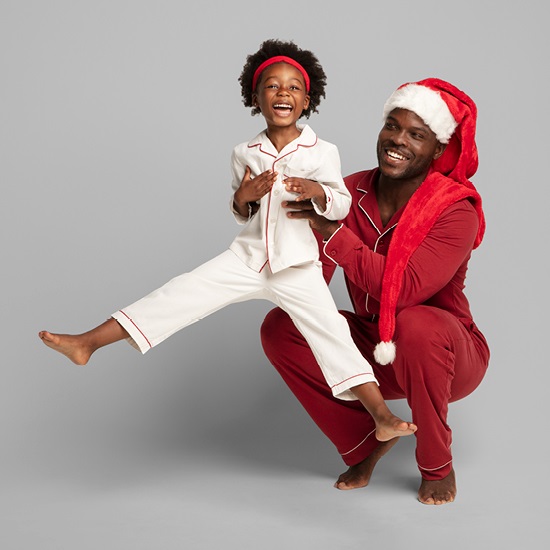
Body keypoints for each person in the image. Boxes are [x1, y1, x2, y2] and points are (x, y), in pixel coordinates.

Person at [39, 39, 416, 443]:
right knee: (179, 293)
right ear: (256, 98)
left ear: (307, 100)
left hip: (297, 266)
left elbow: (341, 206)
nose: (282, 92)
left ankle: (381, 416)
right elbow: (241, 210)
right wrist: (244, 196)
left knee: (332, 334)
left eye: (292, 87)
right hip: (246, 258)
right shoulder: (244, 152)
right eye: (272, 86)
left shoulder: (323, 151)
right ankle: (88, 343)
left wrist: (317, 191)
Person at [260, 78, 490, 505]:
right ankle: (367, 440)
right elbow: (313, 278)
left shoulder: (456, 209)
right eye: (392, 126)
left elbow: (405, 291)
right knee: (281, 327)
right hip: (375, 343)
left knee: (415, 322)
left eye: (416, 135)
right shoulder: (346, 192)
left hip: (449, 352)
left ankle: (437, 464)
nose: (397, 140)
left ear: (438, 150)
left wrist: (331, 232)